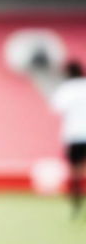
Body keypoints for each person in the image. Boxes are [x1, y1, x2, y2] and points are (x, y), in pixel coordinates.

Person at [51, 60, 86, 219]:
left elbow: (58, 109)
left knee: (75, 173)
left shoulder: (65, 90)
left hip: (73, 136)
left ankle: (76, 207)